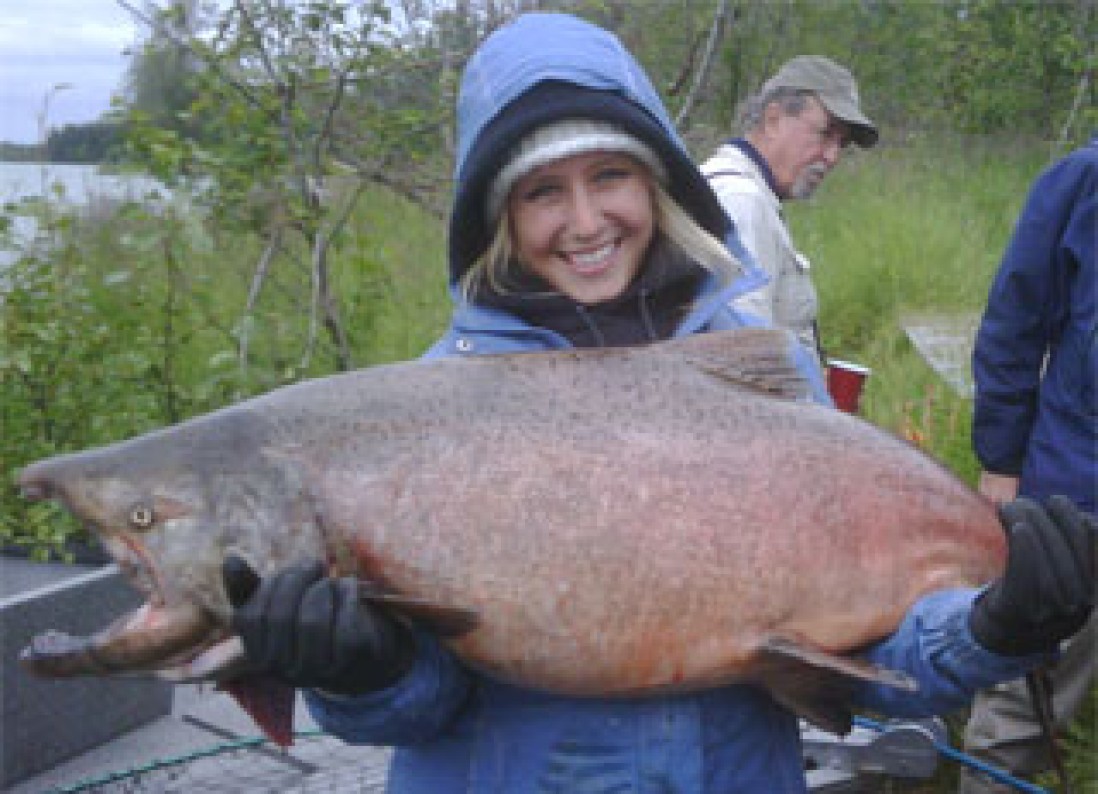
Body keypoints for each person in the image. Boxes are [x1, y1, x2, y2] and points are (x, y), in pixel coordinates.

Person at [221, 14, 1096, 793]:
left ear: (657, 184)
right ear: (495, 213)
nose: (585, 219)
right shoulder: (424, 414)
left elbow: (873, 661)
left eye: (610, 174)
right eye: (541, 191)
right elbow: (420, 708)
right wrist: (361, 672)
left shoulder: (760, 366)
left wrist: (996, 625)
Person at [958, 137, 1098, 794]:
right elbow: (1014, 323)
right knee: (1021, 707)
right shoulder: (1082, 180)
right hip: (1074, 498)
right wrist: (1002, 463)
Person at [700, 55, 878, 365]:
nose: (833, 156)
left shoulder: (748, 194)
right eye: (825, 133)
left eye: (842, 143)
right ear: (773, 120)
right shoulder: (742, 201)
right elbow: (742, 359)